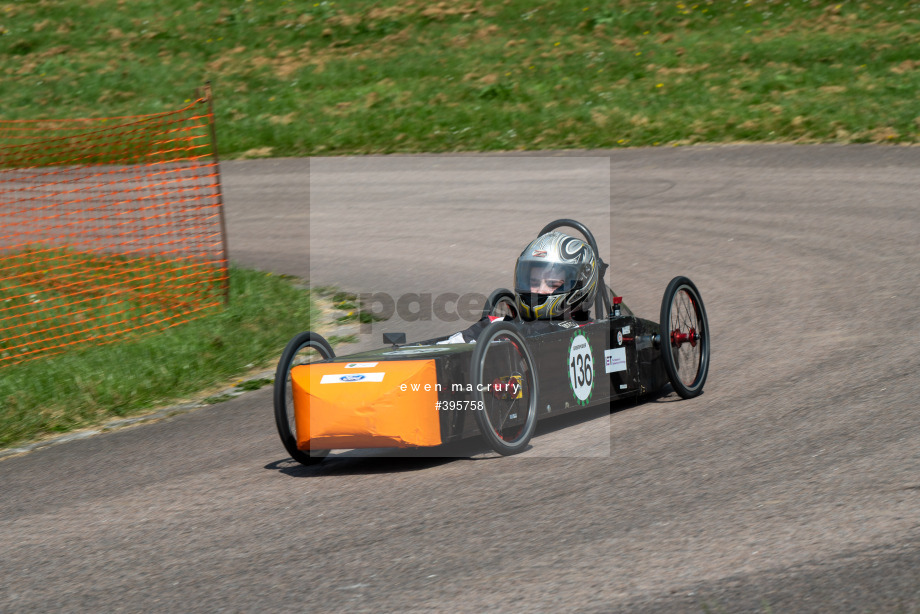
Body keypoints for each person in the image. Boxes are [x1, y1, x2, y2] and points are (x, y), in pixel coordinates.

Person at [438, 231, 599, 343]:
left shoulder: (600, 332)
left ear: (581, 283)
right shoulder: (503, 324)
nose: (537, 290)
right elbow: (458, 342)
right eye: (533, 282)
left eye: (551, 283)